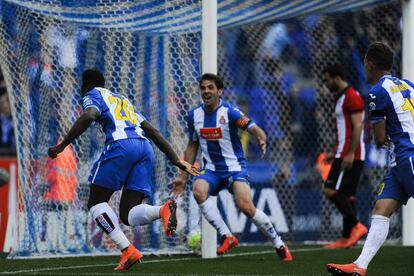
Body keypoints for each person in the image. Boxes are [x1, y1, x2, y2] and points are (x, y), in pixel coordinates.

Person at [48, 69, 199, 271]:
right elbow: (152, 130)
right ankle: (161, 210)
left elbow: (90, 114)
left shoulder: (92, 94)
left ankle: (127, 250)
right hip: (145, 148)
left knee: (95, 203)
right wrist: (176, 160)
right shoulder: (122, 100)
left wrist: (62, 145)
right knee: (128, 214)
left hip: (121, 145)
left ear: (85, 85)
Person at [172, 73, 292, 261]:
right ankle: (227, 236)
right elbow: (192, 146)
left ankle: (278, 243)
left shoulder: (230, 112)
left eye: (210, 87)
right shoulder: (193, 115)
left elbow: (251, 126)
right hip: (211, 169)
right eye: (203, 88)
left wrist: (261, 136)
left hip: (234, 167)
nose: (206, 91)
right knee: (198, 190)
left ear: (219, 91)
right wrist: (183, 176)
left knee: (246, 207)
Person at [326, 42, 414, 276]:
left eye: (365, 63)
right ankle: (360, 265)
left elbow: (379, 138)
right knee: (381, 208)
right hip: (400, 161)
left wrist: (386, 136)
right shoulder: (408, 84)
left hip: (408, 156)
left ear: (369, 64)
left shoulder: (377, 92)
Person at [321, 64, 368, 249]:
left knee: (330, 190)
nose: (326, 84)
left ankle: (356, 226)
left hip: (351, 154)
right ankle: (346, 237)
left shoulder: (352, 96)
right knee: (348, 196)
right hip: (343, 152)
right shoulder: (341, 97)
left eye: (327, 80)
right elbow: (345, 129)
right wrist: (335, 152)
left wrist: (349, 153)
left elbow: (358, 126)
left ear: (337, 77)